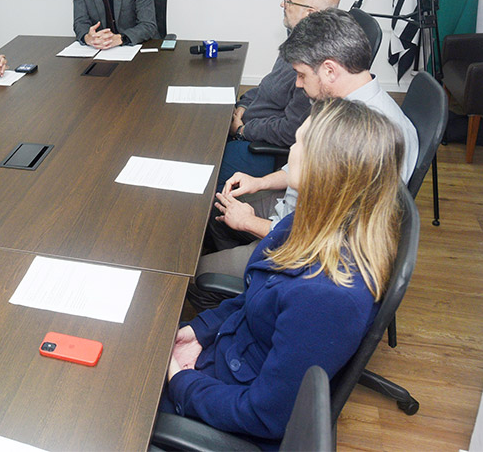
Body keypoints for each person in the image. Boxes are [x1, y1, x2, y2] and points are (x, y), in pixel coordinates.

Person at [164, 98, 404, 445]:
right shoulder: (310, 223)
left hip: (231, 407)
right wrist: (199, 332)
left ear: (324, 168)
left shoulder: (328, 296)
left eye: (299, 142)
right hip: (226, 360)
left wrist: (181, 383)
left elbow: (265, 415)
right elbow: (254, 299)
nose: (291, 147)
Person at [194, 9, 418, 300]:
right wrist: (259, 182)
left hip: (308, 252)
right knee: (219, 208)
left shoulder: (367, 138)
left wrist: (249, 223)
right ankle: (247, 273)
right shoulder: (345, 105)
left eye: (301, 74)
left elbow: (326, 240)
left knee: (195, 276)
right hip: (293, 215)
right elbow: (304, 174)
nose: (298, 84)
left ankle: (254, 287)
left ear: (329, 70)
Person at [220, 0, 341, 183]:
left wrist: (242, 130)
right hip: (250, 126)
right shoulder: (300, 39)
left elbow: (290, 130)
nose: (282, 4)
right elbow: (270, 83)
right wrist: (244, 105)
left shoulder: (315, 66)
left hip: (260, 148)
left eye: (288, 0)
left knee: (203, 169)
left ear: (309, 14)